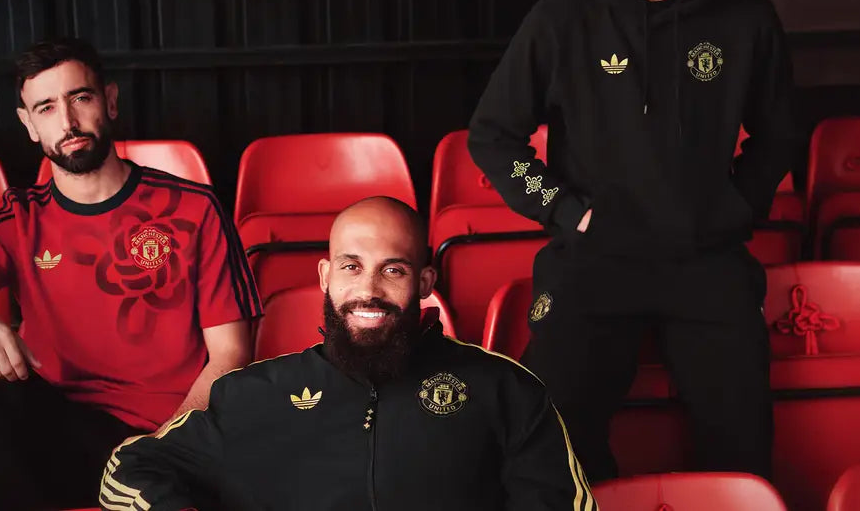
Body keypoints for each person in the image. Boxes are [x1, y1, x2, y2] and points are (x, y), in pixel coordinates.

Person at [465, 0, 798, 483]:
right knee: (549, 435)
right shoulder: (560, 19)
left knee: (742, 439)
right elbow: (492, 135)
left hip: (706, 258)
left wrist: (734, 207)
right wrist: (568, 212)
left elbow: (781, 131)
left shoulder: (745, 15)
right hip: (596, 258)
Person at [0, 36, 262, 511]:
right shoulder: (19, 218)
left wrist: (160, 449)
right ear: (29, 124)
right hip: (58, 436)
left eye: (80, 98)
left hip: (165, 437)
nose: (67, 121)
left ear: (110, 101)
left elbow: (230, 355)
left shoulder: (193, 208)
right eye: (46, 108)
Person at [102, 197, 593, 510]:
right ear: (325, 276)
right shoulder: (255, 395)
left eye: (393, 270)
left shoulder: (504, 388)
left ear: (425, 283)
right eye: (352, 267)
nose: (369, 290)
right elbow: (128, 469)